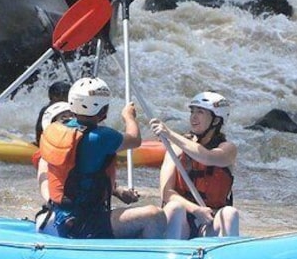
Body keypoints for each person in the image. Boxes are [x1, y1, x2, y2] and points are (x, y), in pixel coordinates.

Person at [35, 77, 166, 239]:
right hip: (84, 223)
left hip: (62, 217)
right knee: (155, 215)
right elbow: (135, 139)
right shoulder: (102, 137)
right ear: (104, 112)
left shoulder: (55, 130)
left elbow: (82, 174)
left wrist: (117, 191)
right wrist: (129, 117)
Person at [149, 92, 239, 239]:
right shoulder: (175, 148)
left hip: (210, 221)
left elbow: (207, 158)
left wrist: (170, 133)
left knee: (230, 213)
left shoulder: (228, 149)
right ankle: (171, 255)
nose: (193, 117)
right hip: (183, 219)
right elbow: (167, 193)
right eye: (192, 111)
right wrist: (195, 210)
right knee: (174, 207)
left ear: (216, 121)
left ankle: (225, 257)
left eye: (200, 112)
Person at [34, 80, 71, 145]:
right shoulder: (49, 111)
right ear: (55, 97)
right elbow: (40, 132)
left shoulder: (66, 109)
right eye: (66, 95)